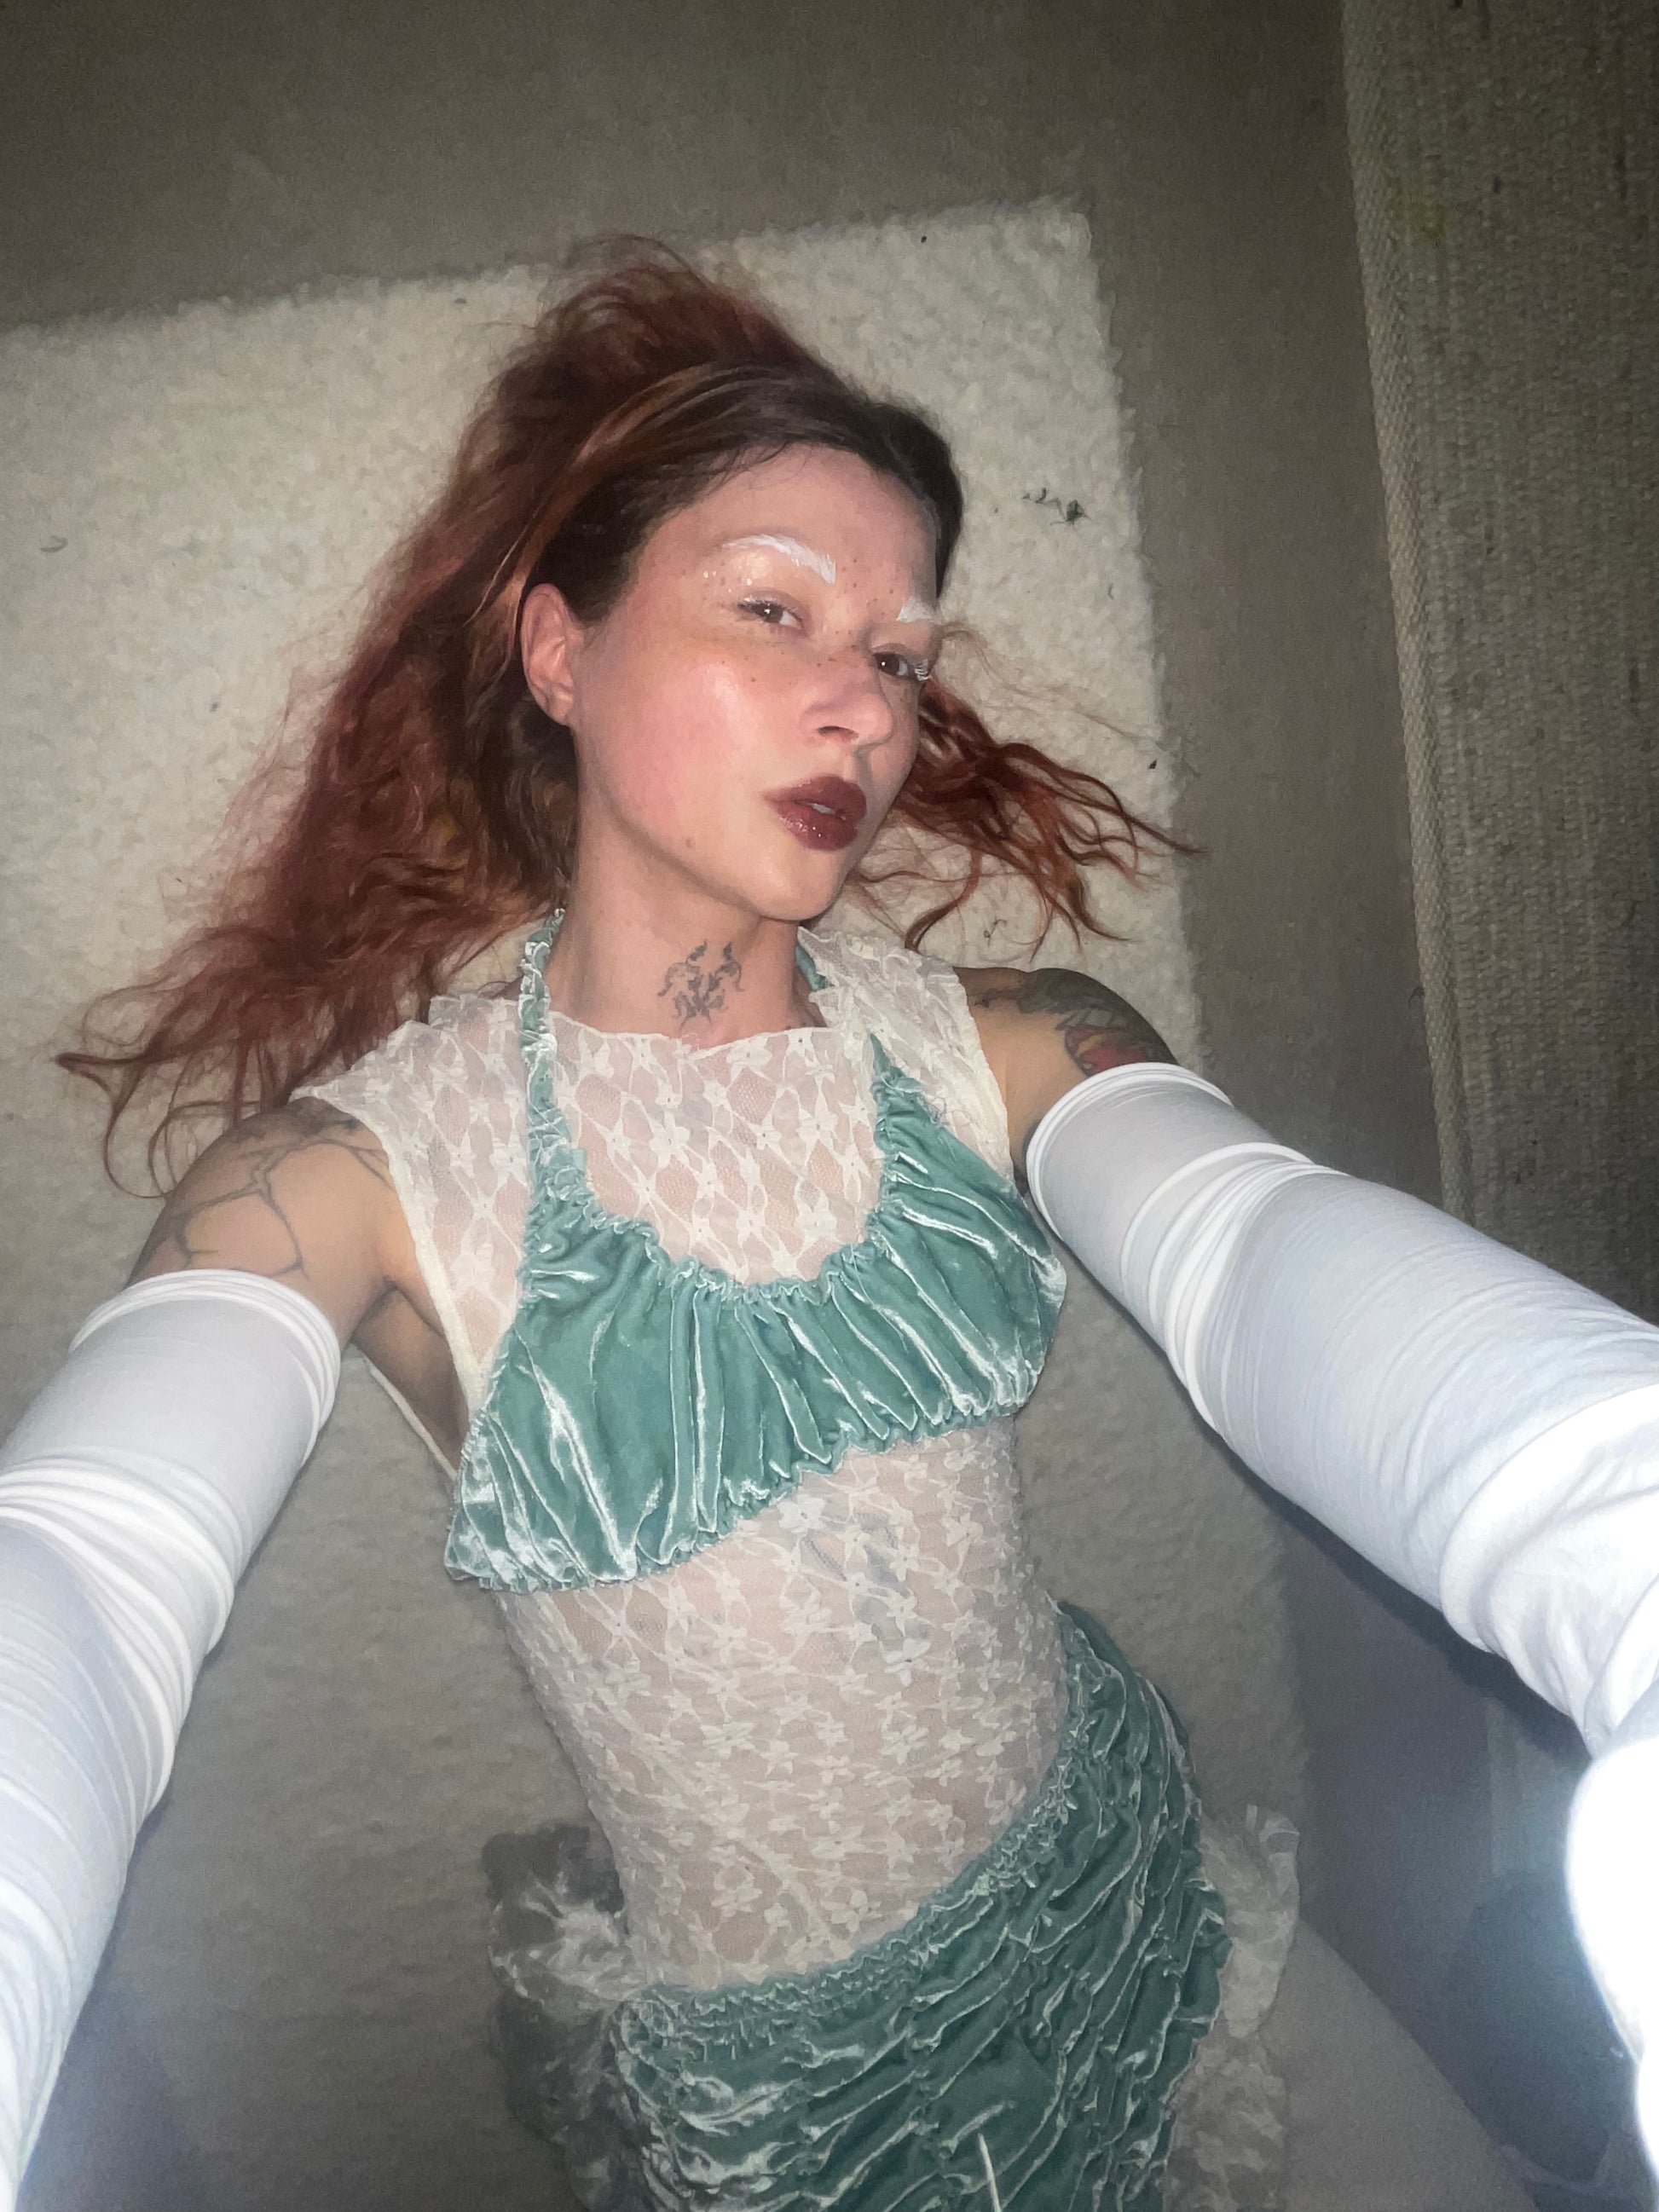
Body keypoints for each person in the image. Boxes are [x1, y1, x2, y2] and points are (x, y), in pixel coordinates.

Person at [6, 245, 1656, 2209]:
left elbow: (1253, 1246)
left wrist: (1619, 1530)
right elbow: (83, 1564)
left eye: (899, 654)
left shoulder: (1013, 1041)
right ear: (559, 652)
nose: (863, 706)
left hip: (1150, 1904)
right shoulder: (349, 1180)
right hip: (827, 2125)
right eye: (774, 608)